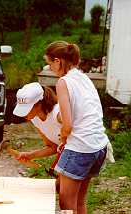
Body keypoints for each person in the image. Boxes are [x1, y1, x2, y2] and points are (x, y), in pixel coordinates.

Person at [44, 41, 109, 214]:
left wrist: (64, 138)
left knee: (66, 204)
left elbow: (68, 124)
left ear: (58, 61)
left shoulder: (63, 82)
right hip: (98, 145)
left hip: (80, 148)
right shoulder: (83, 77)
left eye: (50, 63)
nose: (49, 68)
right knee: (79, 202)